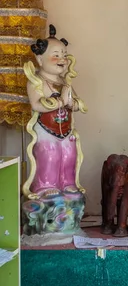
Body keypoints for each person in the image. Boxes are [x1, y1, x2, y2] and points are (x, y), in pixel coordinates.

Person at [23, 24, 87, 199]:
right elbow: (36, 105)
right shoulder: (36, 82)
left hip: (66, 129)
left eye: (64, 56)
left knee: (69, 155)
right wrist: (59, 102)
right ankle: (46, 185)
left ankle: (67, 183)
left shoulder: (64, 82)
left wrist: (73, 103)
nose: (62, 59)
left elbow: (72, 103)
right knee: (50, 155)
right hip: (46, 130)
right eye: (56, 55)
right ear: (40, 60)